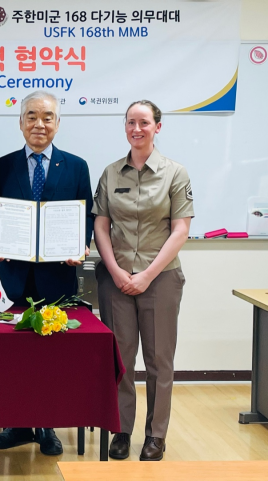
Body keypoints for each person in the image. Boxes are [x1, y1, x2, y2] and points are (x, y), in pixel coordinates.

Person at [0, 90, 94, 456]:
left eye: (47, 117)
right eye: (31, 116)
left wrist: (82, 245)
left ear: (57, 124)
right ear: (20, 122)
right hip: (13, 276)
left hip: (56, 277)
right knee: (10, 356)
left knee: (49, 357)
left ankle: (47, 426)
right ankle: (15, 424)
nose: (39, 124)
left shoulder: (76, 166)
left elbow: (86, 217)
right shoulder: (3, 166)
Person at [92, 100, 193, 461]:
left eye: (145, 122)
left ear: (158, 127)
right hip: (115, 279)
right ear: (125, 127)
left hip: (161, 278)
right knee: (120, 360)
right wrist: (117, 271)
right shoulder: (111, 173)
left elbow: (181, 230)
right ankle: (121, 430)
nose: (137, 128)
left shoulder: (174, 173)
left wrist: (147, 274)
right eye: (131, 122)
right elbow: (101, 226)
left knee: (158, 362)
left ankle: (156, 436)